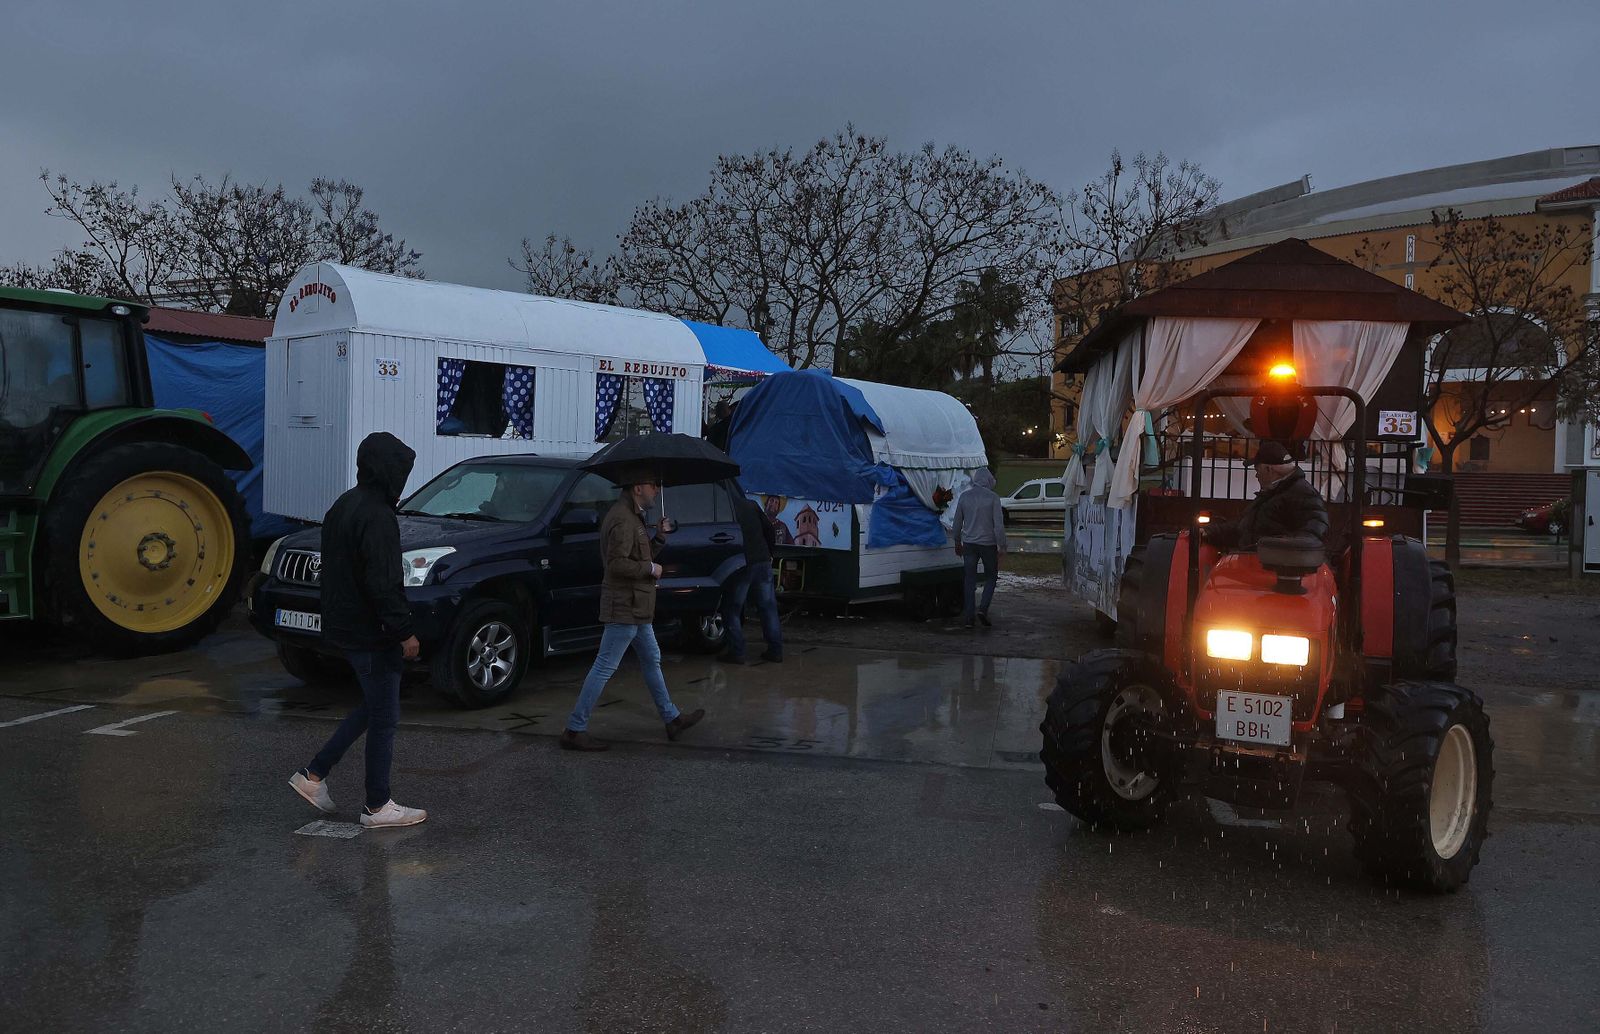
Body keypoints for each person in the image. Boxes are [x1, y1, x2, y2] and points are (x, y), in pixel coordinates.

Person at [288, 432, 427, 828]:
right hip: (372, 630)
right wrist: (404, 632)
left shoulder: (344, 505)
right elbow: (384, 582)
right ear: (389, 471)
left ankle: (314, 775)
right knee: (384, 717)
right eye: (402, 471)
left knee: (375, 706)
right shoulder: (378, 516)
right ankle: (377, 805)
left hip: (345, 625)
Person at [561, 476, 706, 751]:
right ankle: (574, 729)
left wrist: (660, 537)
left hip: (637, 606)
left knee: (652, 658)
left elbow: (639, 555)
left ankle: (672, 719)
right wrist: (651, 570)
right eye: (653, 485)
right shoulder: (622, 519)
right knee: (604, 666)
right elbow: (617, 564)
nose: (657, 490)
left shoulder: (633, 517)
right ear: (637, 488)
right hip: (624, 606)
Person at [1205, 440, 1330, 550]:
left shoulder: (1302, 494)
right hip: (1260, 562)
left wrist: (1282, 551)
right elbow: (1242, 527)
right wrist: (1209, 532)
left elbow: (1315, 532)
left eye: (1257, 470)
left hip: (1276, 569)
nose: (1256, 476)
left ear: (1269, 470)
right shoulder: (1274, 492)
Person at [719, 491, 782, 665]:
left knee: (732, 608)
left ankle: (737, 652)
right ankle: (776, 650)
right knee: (768, 607)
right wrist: (770, 553)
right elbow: (769, 529)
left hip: (740, 563)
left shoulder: (725, 509)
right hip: (762, 560)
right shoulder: (751, 505)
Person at [951, 469, 1007, 628]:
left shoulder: (964, 496)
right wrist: (1002, 546)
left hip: (969, 544)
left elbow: (957, 524)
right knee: (991, 576)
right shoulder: (993, 498)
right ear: (988, 480)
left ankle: (969, 617)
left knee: (969, 580)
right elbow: (998, 526)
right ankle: (982, 608)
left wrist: (957, 542)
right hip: (988, 545)